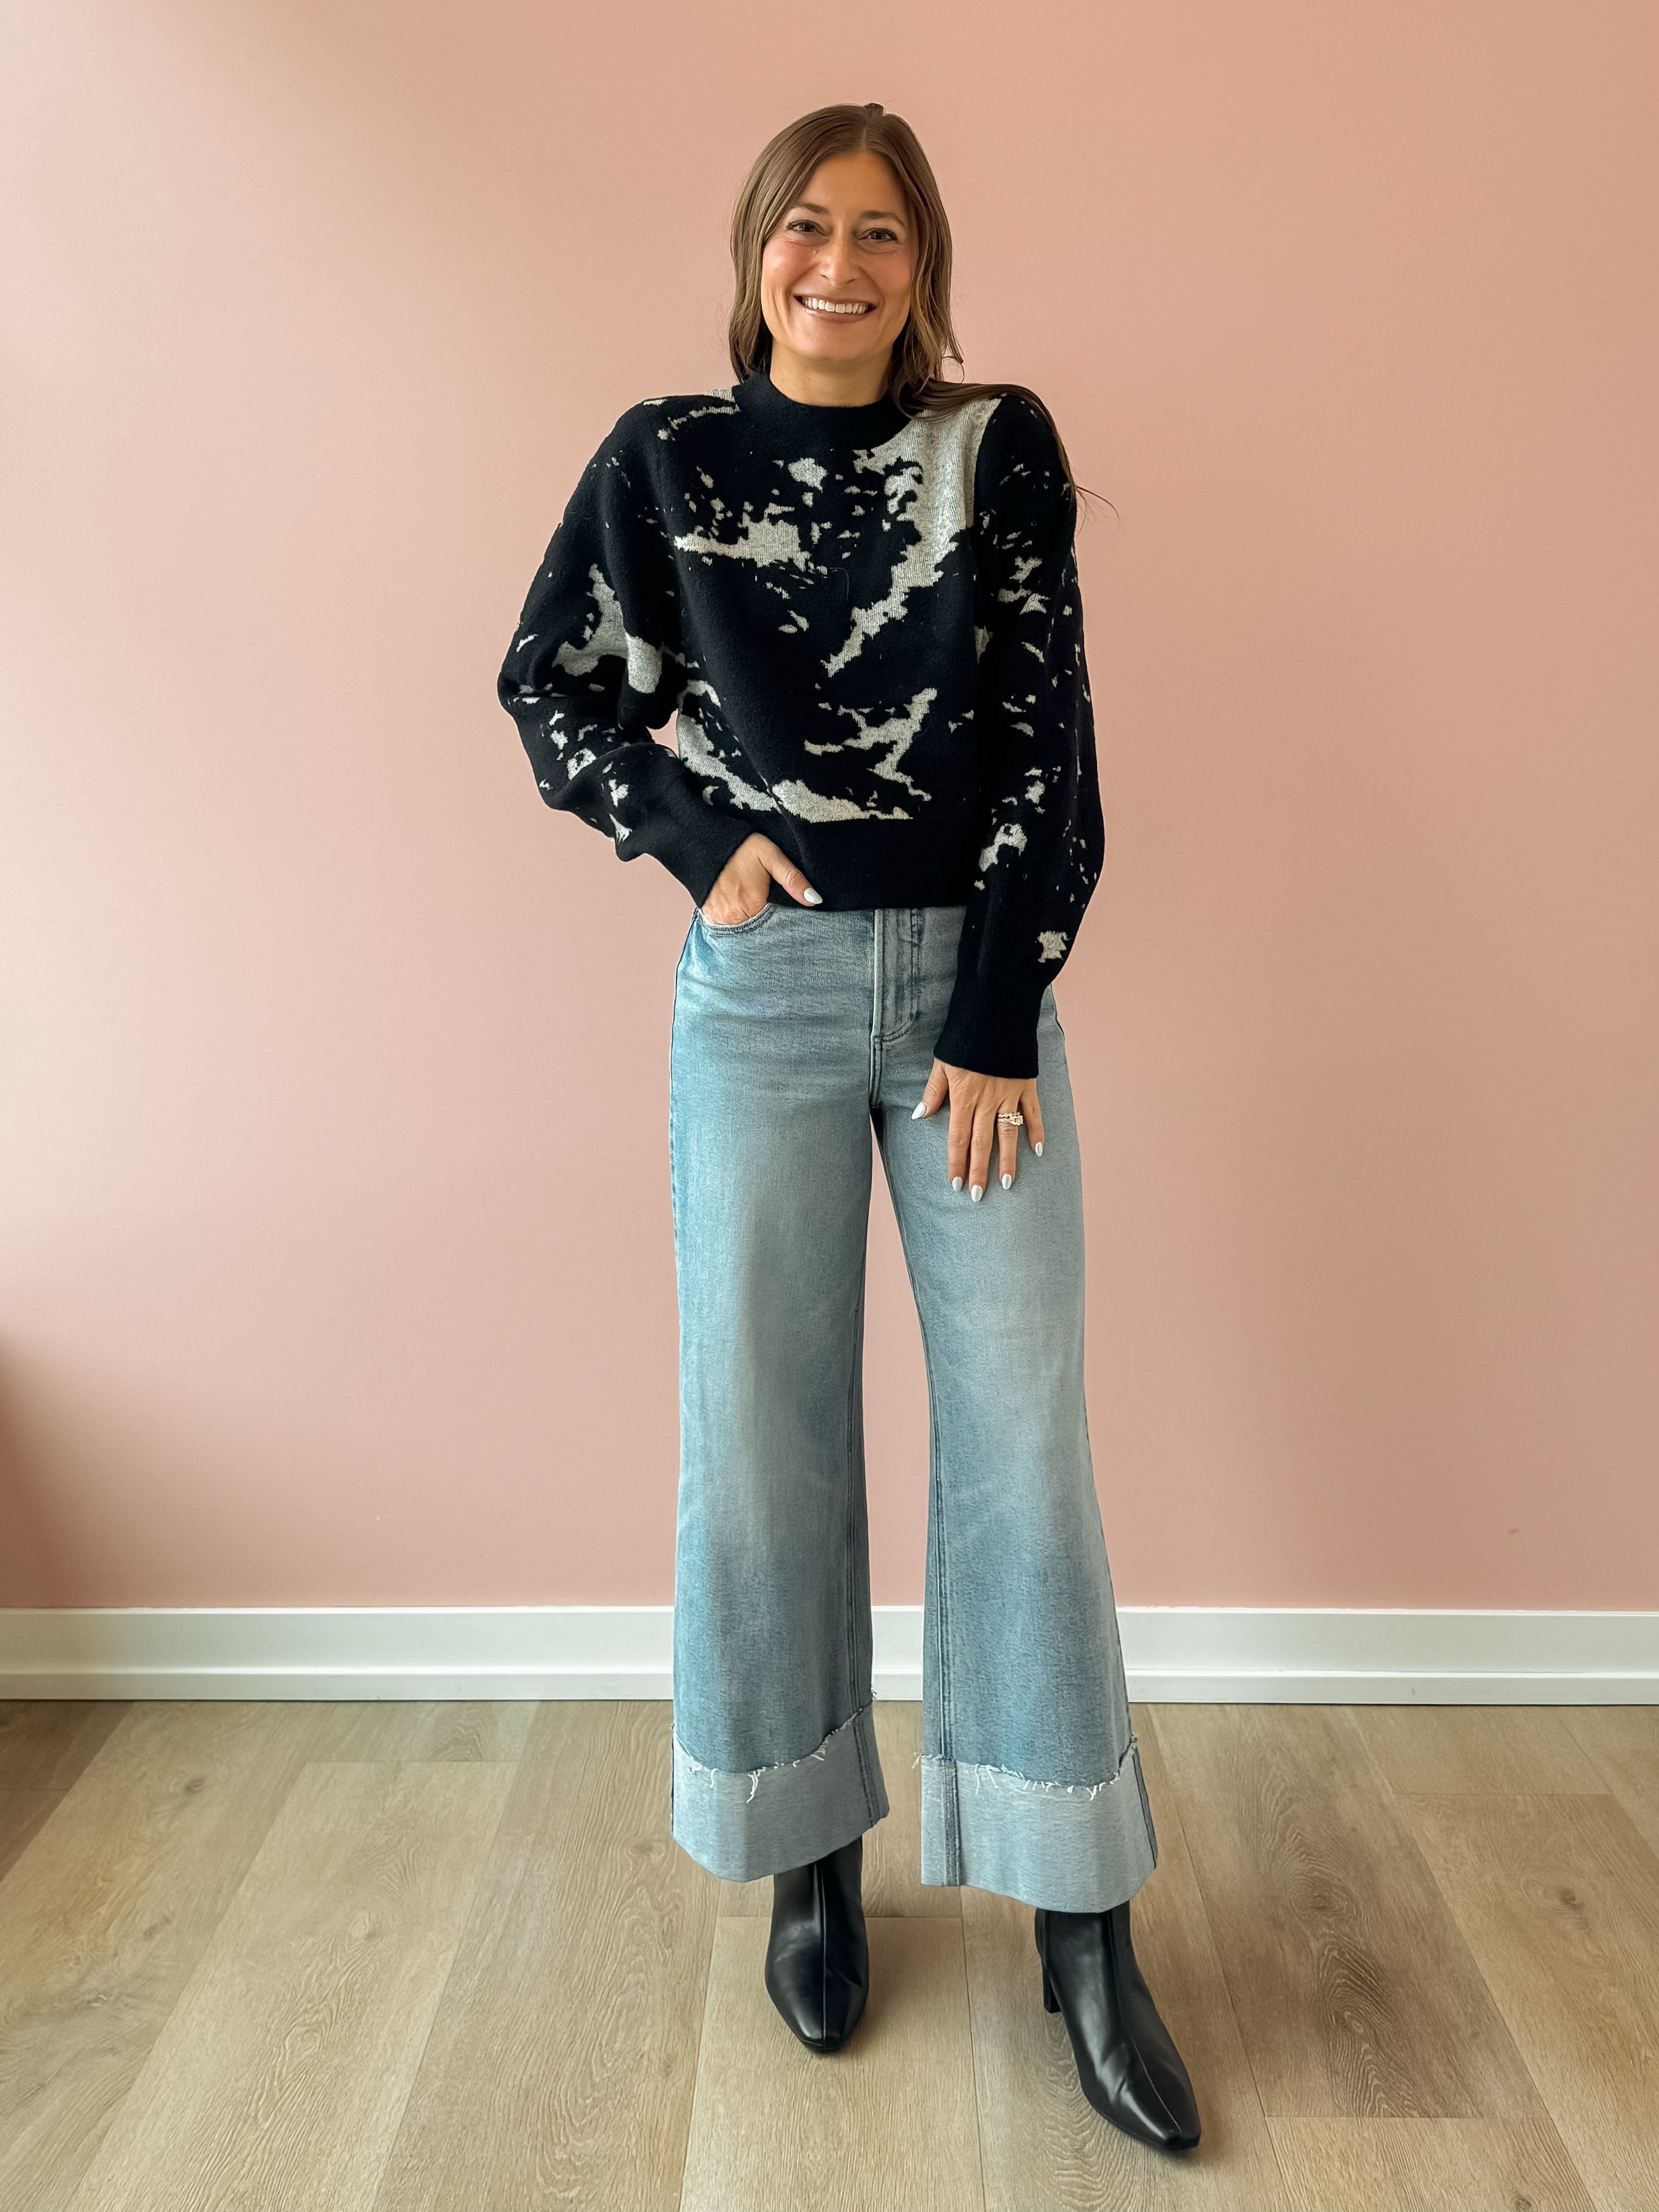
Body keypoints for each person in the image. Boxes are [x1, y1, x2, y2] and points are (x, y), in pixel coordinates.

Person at [498, 101, 1201, 2152]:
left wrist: (998, 1009)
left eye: (882, 234)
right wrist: (692, 836)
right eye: (807, 228)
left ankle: (1084, 1920)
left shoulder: (995, 449)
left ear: (924, 267)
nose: (840, 265)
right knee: (764, 1434)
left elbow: (1050, 747)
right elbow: (548, 685)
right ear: (757, 253)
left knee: (1023, 1440)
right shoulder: (666, 459)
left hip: (976, 1008)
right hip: (766, 1006)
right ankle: (813, 1857)